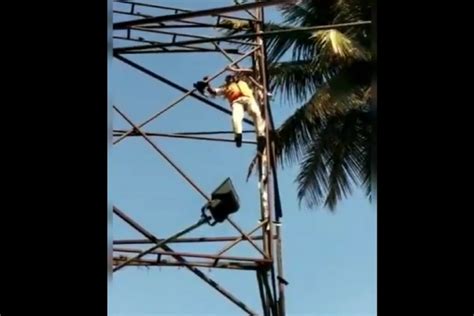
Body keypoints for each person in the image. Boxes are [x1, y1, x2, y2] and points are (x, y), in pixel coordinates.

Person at [194, 73, 266, 151]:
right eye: (228, 79)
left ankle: (260, 136)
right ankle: (238, 134)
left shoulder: (242, 82)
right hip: (236, 102)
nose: (230, 79)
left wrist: (235, 70)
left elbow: (247, 73)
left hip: (249, 99)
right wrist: (207, 84)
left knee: (256, 113)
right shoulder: (225, 89)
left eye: (231, 78)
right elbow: (213, 91)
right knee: (236, 118)